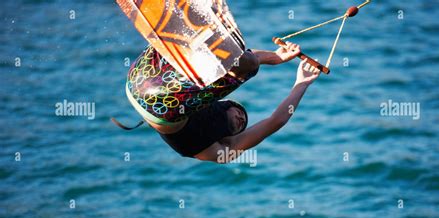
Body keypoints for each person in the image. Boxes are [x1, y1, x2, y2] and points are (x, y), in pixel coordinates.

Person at [121, 42, 320, 163]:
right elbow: (246, 59)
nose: (242, 119)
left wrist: (301, 83)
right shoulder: (201, 94)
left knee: (247, 64)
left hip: (160, 106)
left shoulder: (221, 150)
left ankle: (206, 43)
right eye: (241, 112)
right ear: (224, 103)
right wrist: (276, 57)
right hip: (144, 76)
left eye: (241, 126)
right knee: (240, 60)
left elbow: (275, 121)